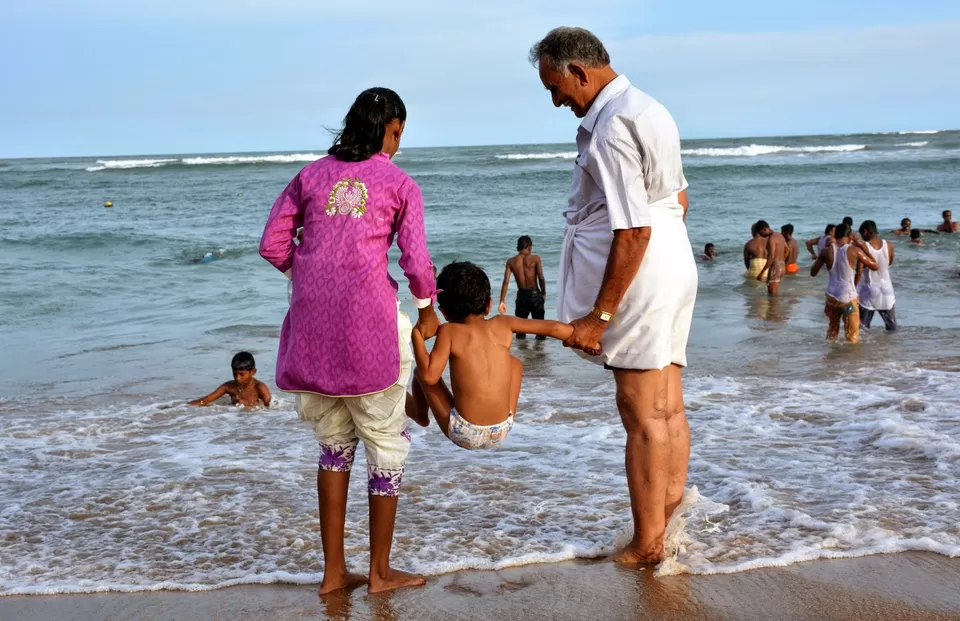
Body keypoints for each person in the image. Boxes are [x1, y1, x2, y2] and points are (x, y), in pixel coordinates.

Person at [259, 88, 439, 595]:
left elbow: (273, 244)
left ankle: (334, 572)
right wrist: (427, 310)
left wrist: (311, 272)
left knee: (335, 447)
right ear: (393, 128)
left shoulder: (310, 175)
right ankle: (380, 573)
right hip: (369, 335)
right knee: (385, 446)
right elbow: (416, 262)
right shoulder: (400, 183)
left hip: (313, 335)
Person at [530, 27, 697, 564]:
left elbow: (632, 230)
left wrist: (599, 317)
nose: (556, 99)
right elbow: (680, 199)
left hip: (644, 269)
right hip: (674, 260)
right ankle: (665, 527)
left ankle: (648, 544)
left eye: (555, 86)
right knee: (667, 406)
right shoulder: (650, 107)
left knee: (641, 411)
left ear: (580, 72)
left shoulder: (610, 127)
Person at [409, 262, 574, 449]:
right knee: (515, 364)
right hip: (502, 428)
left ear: (444, 312)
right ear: (488, 306)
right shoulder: (503, 323)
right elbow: (554, 328)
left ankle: (420, 415)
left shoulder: (449, 331)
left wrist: (416, 335)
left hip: (464, 431)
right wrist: (587, 338)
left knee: (419, 372)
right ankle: (501, 412)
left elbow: (430, 377)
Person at [810, 223, 879, 343]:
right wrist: (861, 245)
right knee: (852, 336)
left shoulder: (826, 251)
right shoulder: (854, 250)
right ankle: (849, 360)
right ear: (849, 235)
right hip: (848, 298)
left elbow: (813, 272)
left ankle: (831, 358)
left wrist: (822, 258)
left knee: (832, 332)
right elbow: (875, 265)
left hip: (831, 296)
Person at [497, 235, 547, 339]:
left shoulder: (511, 261)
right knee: (541, 329)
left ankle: (522, 353)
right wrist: (543, 293)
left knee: (520, 330)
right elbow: (541, 278)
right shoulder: (536, 258)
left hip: (521, 297)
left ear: (518, 247)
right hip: (535, 296)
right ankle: (539, 353)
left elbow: (506, 281)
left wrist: (502, 300)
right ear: (529, 247)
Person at [189, 352, 272, 407]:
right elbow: (204, 401)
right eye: (235, 374)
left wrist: (248, 404)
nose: (238, 378)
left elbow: (270, 409)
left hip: (256, 423)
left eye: (242, 374)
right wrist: (181, 408)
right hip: (232, 422)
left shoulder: (260, 388)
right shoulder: (228, 387)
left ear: (253, 372)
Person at [857, 220, 897, 332]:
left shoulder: (864, 247)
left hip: (870, 287)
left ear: (865, 232)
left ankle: (862, 348)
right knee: (892, 326)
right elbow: (890, 262)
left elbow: (859, 270)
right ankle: (892, 347)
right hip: (887, 288)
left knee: (863, 327)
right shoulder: (888, 245)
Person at [756, 221, 789, 296]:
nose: (760, 235)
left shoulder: (771, 239)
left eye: (760, 233)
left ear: (765, 229)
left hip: (775, 266)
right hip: (782, 266)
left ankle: (774, 307)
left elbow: (771, 256)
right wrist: (782, 261)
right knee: (774, 292)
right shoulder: (779, 235)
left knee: (772, 295)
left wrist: (761, 273)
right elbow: (787, 250)